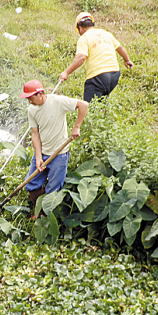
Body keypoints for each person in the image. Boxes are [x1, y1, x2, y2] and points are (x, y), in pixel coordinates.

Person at [19, 79, 89, 215]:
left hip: (59, 154)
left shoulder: (57, 101)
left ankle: (47, 217)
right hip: (43, 152)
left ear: (39, 94)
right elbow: (35, 134)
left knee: (53, 191)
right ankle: (38, 212)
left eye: (30, 98)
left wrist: (76, 127)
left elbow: (84, 105)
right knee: (31, 185)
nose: (29, 101)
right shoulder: (32, 109)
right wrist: (38, 157)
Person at [59, 12, 133, 103]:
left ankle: (93, 116)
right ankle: (103, 115)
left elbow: (81, 57)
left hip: (98, 76)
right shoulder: (106, 34)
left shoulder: (84, 38)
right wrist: (127, 60)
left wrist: (66, 72)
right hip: (114, 75)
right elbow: (120, 48)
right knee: (101, 103)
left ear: (80, 28)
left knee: (89, 107)